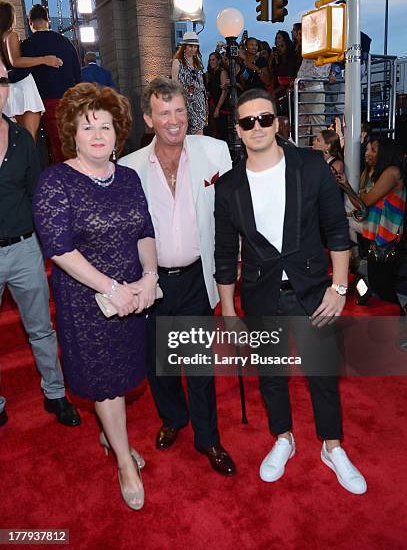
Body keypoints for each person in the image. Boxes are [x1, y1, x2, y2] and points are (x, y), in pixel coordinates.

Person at [214, 87, 367, 495]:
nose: (258, 127)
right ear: (239, 131)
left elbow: (337, 231)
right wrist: (229, 312)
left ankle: (331, 447)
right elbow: (226, 254)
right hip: (261, 295)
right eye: (248, 122)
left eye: (265, 118)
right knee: (271, 376)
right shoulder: (228, 187)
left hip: (314, 289)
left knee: (322, 374)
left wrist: (338, 288)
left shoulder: (310, 166)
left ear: (278, 121)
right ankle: (283, 437)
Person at [32, 82, 157, 510]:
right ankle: (125, 461)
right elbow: (59, 248)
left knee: (123, 377)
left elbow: (144, 230)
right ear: (73, 133)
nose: (98, 134)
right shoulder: (56, 181)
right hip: (87, 302)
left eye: (105, 125)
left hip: (132, 299)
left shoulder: (129, 177)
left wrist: (149, 275)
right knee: (104, 384)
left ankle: (110, 432)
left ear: (118, 131)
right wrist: (113, 289)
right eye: (88, 127)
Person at [119, 77, 236, 476]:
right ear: (149, 118)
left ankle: (209, 439)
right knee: (159, 364)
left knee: (200, 364)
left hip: (196, 278)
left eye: (180, 111)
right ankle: (173, 418)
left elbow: (233, 214)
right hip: (150, 282)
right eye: (164, 113)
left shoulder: (216, 153)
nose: (174, 120)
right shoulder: (129, 169)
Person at [0, 60, 79, 429]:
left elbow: (35, 196)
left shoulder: (21, 139)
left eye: (1, 81)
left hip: (24, 249)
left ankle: (55, 394)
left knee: (41, 328)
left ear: (8, 88)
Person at [337, 138, 406, 304]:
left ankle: (396, 317)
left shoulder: (392, 172)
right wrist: (345, 184)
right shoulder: (373, 173)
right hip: (376, 234)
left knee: (383, 283)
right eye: (367, 149)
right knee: (378, 281)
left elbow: (365, 202)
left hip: (387, 235)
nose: (367, 153)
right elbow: (360, 204)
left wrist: (352, 190)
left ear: (386, 153)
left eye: (373, 150)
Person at [22, 4, 81, 163]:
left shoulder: (28, 44)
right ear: (48, 20)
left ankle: (63, 180)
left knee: (54, 144)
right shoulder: (66, 42)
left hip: (44, 100)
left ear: (30, 22)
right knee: (69, 141)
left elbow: (21, 73)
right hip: (69, 100)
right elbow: (78, 74)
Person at [0, 1, 62, 140]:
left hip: (11, 86)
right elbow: (15, 61)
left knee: (18, 137)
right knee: (29, 138)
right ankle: (29, 162)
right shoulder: (11, 35)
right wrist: (45, 59)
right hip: (24, 87)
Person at [171, 31, 206, 135]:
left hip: (199, 101)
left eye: (195, 47)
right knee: (188, 132)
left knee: (199, 131)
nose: (193, 49)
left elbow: (201, 82)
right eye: (190, 46)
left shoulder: (198, 62)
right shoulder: (177, 62)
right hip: (185, 101)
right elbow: (174, 84)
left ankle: (198, 151)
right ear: (184, 47)